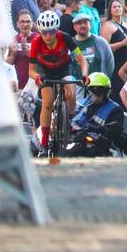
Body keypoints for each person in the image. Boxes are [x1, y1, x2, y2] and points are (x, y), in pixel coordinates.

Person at [29, 11, 89, 153]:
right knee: (48, 102)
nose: (48, 36)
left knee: (71, 91)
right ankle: (44, 142)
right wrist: (37, 77)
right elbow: (30, 71)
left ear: (57, 31)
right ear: (40, 31)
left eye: (51, 32)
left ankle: (69, 122)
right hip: (45, 71)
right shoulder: (36, 42)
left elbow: (82, 60)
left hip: (64, 69)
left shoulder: (65, 38)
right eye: (44, 32)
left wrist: (85, 75)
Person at [67, 72, 124, 157]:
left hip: (104, 149)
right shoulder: (88, 105)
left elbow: (114, 132)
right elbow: (76, 122)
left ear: (105, 92)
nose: (94, 94)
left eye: (98, 91)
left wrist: (95, 129)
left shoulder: (115, 110)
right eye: (92, 91)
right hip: (84, 143)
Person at [100, 0, 127, 105]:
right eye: (114, 7)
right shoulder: (108, 25)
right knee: (118, 94)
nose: (117, 8)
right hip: (116, 65)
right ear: (110, 10)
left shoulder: (126, 24)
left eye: (119, 6)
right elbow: (103, 48)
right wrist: (122, 43)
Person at [72, 13, 114, 82]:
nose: (83, 25)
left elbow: (110, 64)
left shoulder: (101, 42)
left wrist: (104, 80)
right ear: (74, 27)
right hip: (77, 87)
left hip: (97, 87)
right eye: (79, 23)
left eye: (85, 22)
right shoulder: (70, 44)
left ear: (90, 25)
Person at [5, 10, 37, 89]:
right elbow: (7, 65)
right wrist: (13, 54)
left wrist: (29, 53)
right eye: (22, 22)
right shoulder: (13, 40)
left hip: (35, 85)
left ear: (32, 24)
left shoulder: (39, 39)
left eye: (28, 21)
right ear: (17, 24)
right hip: (19, 85)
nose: (25, 24)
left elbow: (45, 61)